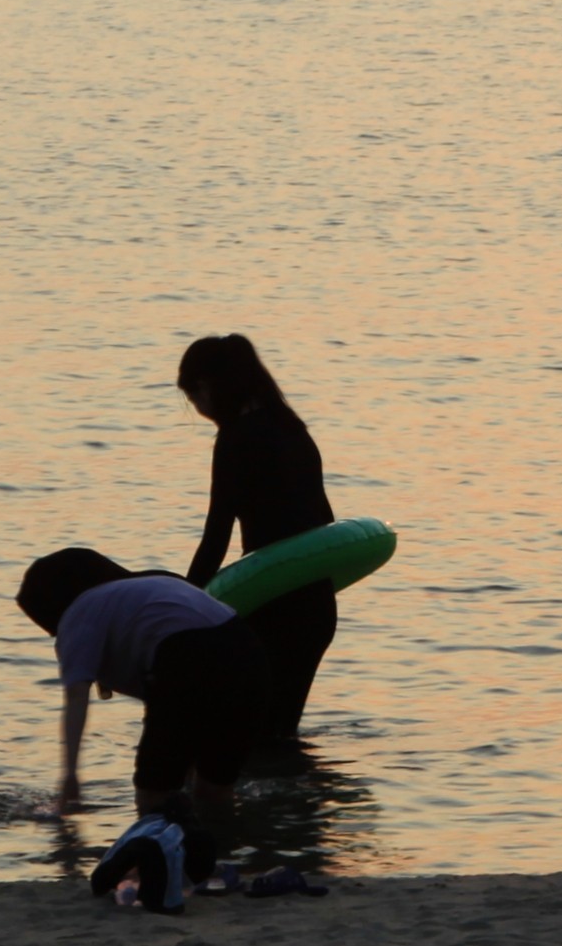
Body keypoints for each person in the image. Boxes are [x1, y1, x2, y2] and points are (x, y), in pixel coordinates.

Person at [19, 545, 271, 867]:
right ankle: (226, 859)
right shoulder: (147, 587)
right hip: (250, 656)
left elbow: (76, 698)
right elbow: (178, 703)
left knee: (154, 793)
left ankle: (161, 864)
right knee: (213, 790)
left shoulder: (80, 612)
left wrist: (70, 775)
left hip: (187, 656)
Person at [177, 334, 342, 744]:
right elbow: (324, 520)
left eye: (195, 394)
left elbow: (216, 537)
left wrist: (181, 603)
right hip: (317, 604)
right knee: (281, 735)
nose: (198, 409)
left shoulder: (236, 439)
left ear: (211, 386)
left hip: (274, 608)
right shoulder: (293, 428)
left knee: (243, 739)